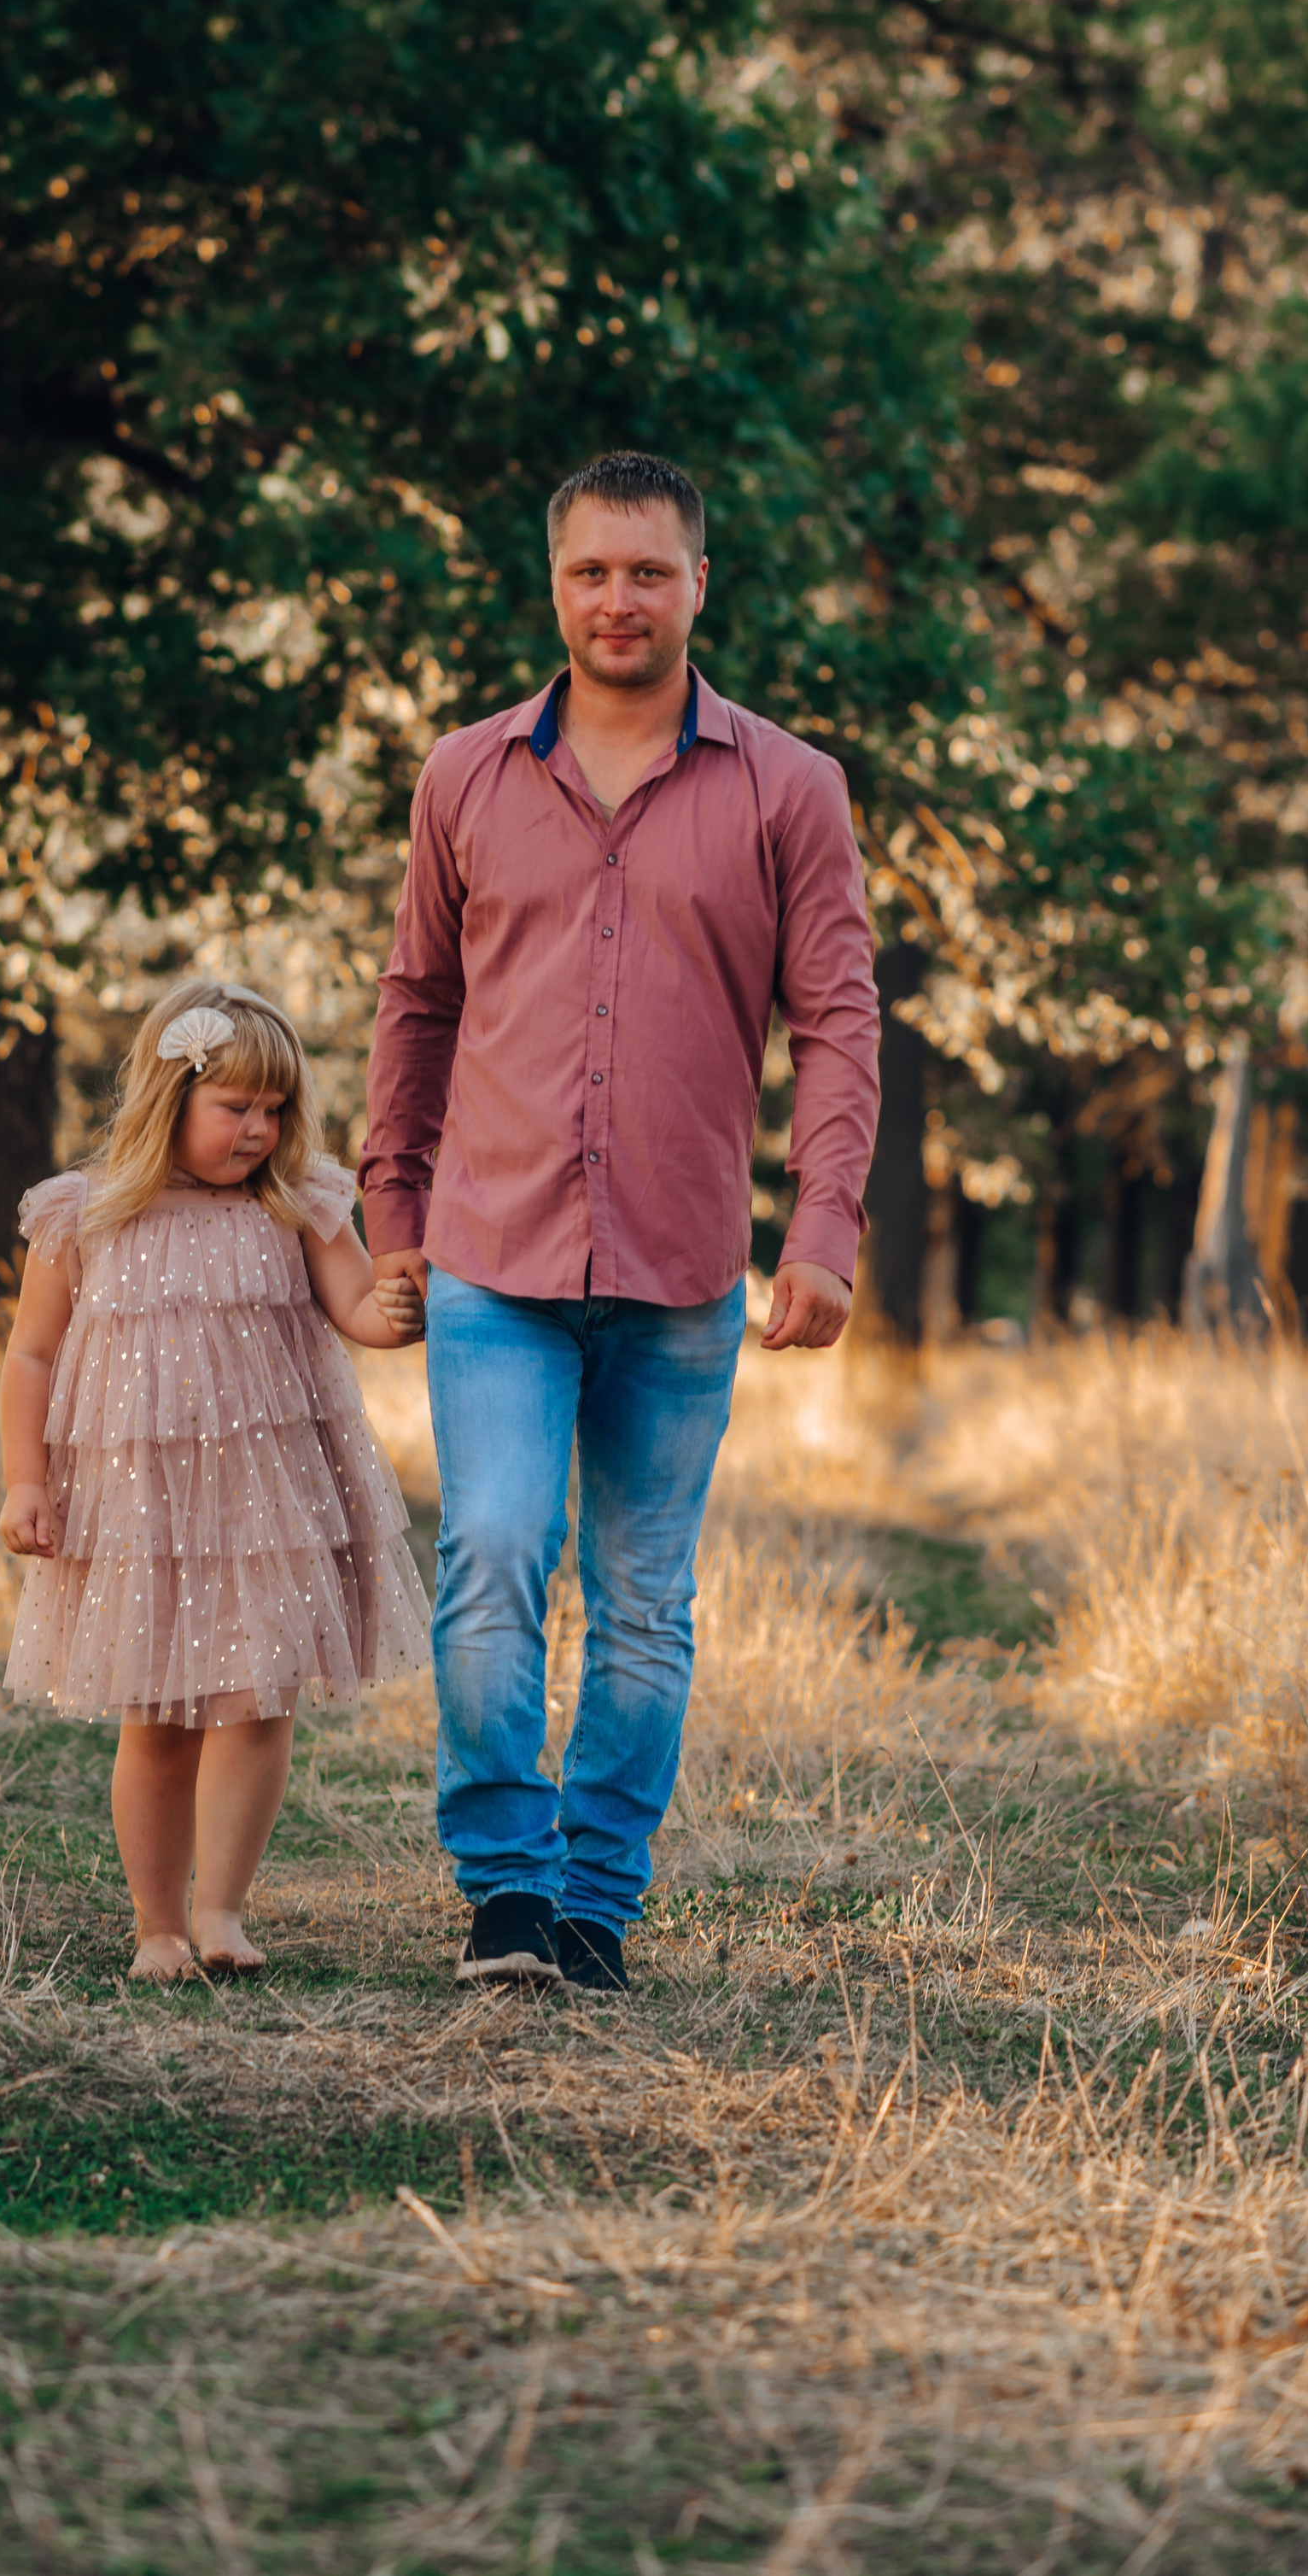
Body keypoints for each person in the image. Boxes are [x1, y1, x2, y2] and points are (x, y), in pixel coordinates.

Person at [361, 449, 880, 1994]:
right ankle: (505, 1885)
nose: (618, 598)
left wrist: (825, 1227)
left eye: (648, 570)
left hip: (679, 1260)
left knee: (646, 1597)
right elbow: (417, 1001)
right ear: (555, 581)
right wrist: (395, 1203)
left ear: (698, 585)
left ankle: (598, 1903)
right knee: (496, 1550)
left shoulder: (791, 786)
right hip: (492, 1251)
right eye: (592, 569)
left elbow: (840, 1019)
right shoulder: (463, 774)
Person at [0, 980, 430, 1982]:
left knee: (255, 1699)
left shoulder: (298, 1203)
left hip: (266, 1499)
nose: (259, 1129)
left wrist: (401, 1306)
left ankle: (223, 1911)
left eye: (275, 1110)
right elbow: (30, 1356)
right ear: (168, 1101)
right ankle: (156, 1926)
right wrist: (27, 1479)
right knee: (153, 1715)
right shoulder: (88, 1217)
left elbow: (358, 1308)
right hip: (138, 1507)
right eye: (235, 1108)